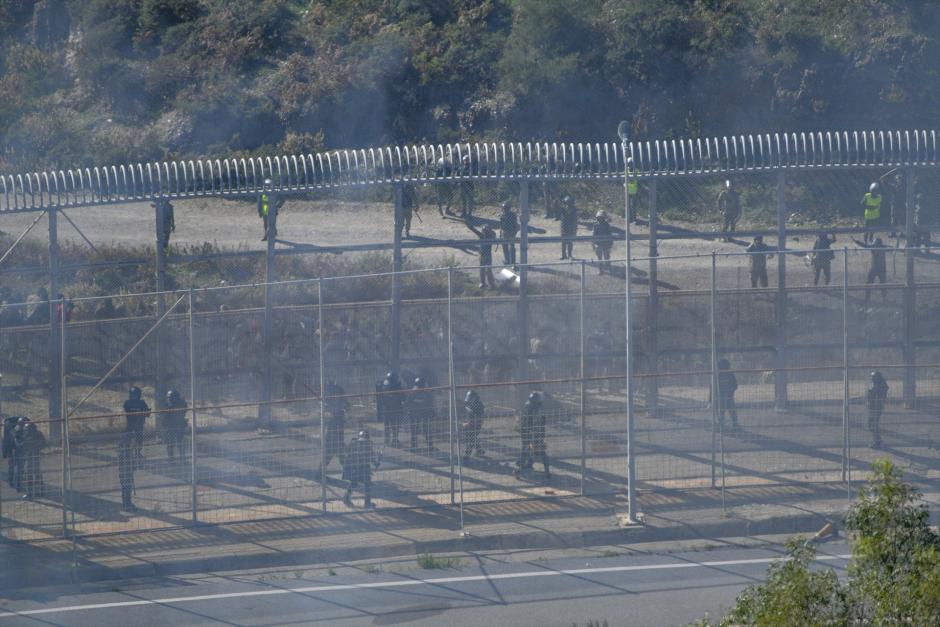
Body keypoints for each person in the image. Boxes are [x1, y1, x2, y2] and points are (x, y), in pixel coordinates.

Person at [515, 392, 550, 479]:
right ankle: (523, 467)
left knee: (527, 450)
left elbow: (525, 421)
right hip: (534, 433)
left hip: (530, 433)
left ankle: (522, 466)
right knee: (534, 450)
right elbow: (540, 422)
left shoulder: (529, 407)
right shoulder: (535, 408)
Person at [342, 429, 379, 508]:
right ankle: (367, 503)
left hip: (354, 468)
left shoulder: (354, 443)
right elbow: (371, 457)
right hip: (363, 468)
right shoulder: (368, 444)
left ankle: (346, 497)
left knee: (354, 483)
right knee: (367, 484)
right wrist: (376, 463)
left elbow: (347, 452)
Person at [321, 379, 348, 471]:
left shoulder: (335, 391)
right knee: (334, 451)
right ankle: (348, 471)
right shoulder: (332, 391)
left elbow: (344, 404)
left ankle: (348, 471)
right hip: (334, 437)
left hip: (335, 437)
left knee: (337, 451)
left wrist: (329, 408)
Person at [851, 236, 888, 303]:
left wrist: (897, 243)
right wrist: (856, 241)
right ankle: (867, 298)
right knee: (868, 283)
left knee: (883, 284)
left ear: (879, 243)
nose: (873, 243)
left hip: (882, 269)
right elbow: (864, 245)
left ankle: (884, 299)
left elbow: (893, 248)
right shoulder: (872, 247)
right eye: (873, 242)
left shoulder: (883, 247)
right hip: (874, 268)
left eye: (875, 242)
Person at [405, 378, 435, 451]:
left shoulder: (414, 392)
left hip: (419, 413)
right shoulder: (423, 392)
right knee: (425, 429)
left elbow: (407, 403)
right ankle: (428, 445)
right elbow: (430, 402)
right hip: (420, 413)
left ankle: (414, 446)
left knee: (417, 430)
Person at [466, 219, 497, 289]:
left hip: (487, 254)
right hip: (482, 254)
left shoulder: (488, 235)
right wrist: (470, 226)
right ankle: (483, 283)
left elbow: (476, 231)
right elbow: (475, 231)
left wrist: (470, 226)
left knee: (487, 269)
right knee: (482, 269)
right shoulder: (485, 235)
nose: (484, 230)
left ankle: (490, 283)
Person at [18, 421, 46, 500]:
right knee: (37, 473)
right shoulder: (38, 433)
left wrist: (16, 437)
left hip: (31, 457)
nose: (25, 430)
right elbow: (44, 444)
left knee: (29, 475)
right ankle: (41, 491)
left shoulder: (28, 436)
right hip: (36, 456)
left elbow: (21, 446)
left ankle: (30, 494)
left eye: (26, 429)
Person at [123, 386, 150, 461]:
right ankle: (128, 454)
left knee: (139, 440)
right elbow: (126, 410)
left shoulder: (142, 402)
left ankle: (138, 453)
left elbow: (147, 413)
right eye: (132, 394)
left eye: (135, 395)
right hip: (130, 425)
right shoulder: (127, 402)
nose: (133, 396)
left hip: (139, 425)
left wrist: (146, 412)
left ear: (138, 395)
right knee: (127, 440)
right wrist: (138, 412)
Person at [161, 389, 188, 463]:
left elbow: (167, 416)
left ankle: (172, 459)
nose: (169, 399)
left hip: (173, 426)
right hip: (179, 425)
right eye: (168, 398)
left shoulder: (171, 405)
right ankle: (182, 458)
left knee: (171, 443)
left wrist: (164, 423)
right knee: (178, 443)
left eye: (170, 397)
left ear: (174, 397)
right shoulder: (182, 403)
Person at [377, 372, 403, 447]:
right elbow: (396, 397)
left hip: (389, 408)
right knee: (392, 425)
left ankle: (391, 439)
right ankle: (391, 440)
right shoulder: (388, 385)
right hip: (391, 408)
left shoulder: (388, 384)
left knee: (390, 425)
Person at [716, 358, 739, 431]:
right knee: (721, 411)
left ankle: (735, 424)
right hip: (720, 397)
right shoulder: (717, 375)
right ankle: (721, 425)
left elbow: (735, 385)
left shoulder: (730, 374)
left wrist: (730, 393)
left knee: (732, 410)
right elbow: (714, 387)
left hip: (729, 396)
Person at [867, 371, 888, 449]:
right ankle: (877, 440)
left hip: (876, 407)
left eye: (873, 378)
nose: (872, 379)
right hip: (873, 407)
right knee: (872, 424)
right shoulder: (877, 385)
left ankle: (878, 441)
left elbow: (879, 396)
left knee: (873, 424)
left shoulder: (880, 386)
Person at [462, 390, 485, 458]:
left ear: (475, 398)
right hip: (470, 423)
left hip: (475, 424)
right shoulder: (469, 404)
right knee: (473, 437)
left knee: (470, 438)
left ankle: (467, 454)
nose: (470, 400)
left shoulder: (478, 405)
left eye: (471, 399)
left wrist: (468, 423)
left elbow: (477, 418)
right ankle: (479, 450)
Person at [118, 430, 137, 512]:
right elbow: (127, 462)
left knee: (127, 488)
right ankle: (127, 505)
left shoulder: (127, 448)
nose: (134, 442)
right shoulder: (126, 450)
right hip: (125, 472)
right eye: (133, 440)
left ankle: (127, 504)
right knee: (127, 488)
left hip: (126, 471)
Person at [591, 210, 614, 274]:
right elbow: (593, 236)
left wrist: (610, 243)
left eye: (601, 218)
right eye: (599, 218)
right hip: (598, 244)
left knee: (607, 257)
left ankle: (608, 269)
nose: (600, 219)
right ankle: (600, 270)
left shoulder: (607, 225)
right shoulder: (595, 225)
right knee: (599, 258)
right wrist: (593, 244)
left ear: (604, 218)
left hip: (606, 244)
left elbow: (610, 235)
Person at [499, 201, 519, 266]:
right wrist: (501, 232)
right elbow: (501, 225)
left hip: (509, 232)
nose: (504, 209)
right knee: (508, 246)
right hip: (508, 232)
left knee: (509, 246)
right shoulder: (511, 215)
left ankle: (510, 261)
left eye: (504, 208)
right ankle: (510, 261)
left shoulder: (505, 215)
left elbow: (515, 225)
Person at [3, 415, 20, 487]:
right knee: (12, 466)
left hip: (17, 449)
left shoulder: (10, 428)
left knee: (16, 466)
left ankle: (15, 481)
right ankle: (11, 481)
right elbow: (5, 442)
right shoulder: (8, 430)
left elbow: (6, 441)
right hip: (13, 449)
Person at [626, 157, 639, 223]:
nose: (629, 165)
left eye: (630, 164)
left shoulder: (636, 171)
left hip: (634, 191)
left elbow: (635, 180)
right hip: (627, 191)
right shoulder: (626, 170)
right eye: (628, 164)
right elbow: (624, 179)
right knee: (628, 205)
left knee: (633, 206)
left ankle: (634, 219)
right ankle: (629, 218)